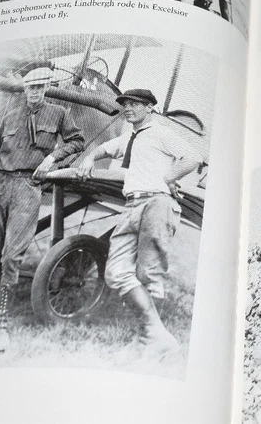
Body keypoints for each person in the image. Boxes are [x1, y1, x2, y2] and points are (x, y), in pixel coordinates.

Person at [76, 88, 203, 355]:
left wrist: (169, 178)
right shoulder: (128, 137)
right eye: (125, 104)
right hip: (132, 204)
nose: (128, 108)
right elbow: (104, 148)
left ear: (150, 108)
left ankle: (149, 339)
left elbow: (193, 157)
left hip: (156, 202)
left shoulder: (161, 132)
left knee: (148, 276)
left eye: (135, 104)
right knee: (116, 271)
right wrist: (89, 158)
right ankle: (157, 338)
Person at [0, 67, 85, 353]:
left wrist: (52, 158)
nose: (34, 92)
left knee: (11, 256)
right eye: (30, 87)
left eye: (39, 87)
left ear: (46, 88)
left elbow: (77, 141)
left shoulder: (59, 113)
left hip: (28, 187)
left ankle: (2, 326)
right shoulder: (10, 117)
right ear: (24, 89)